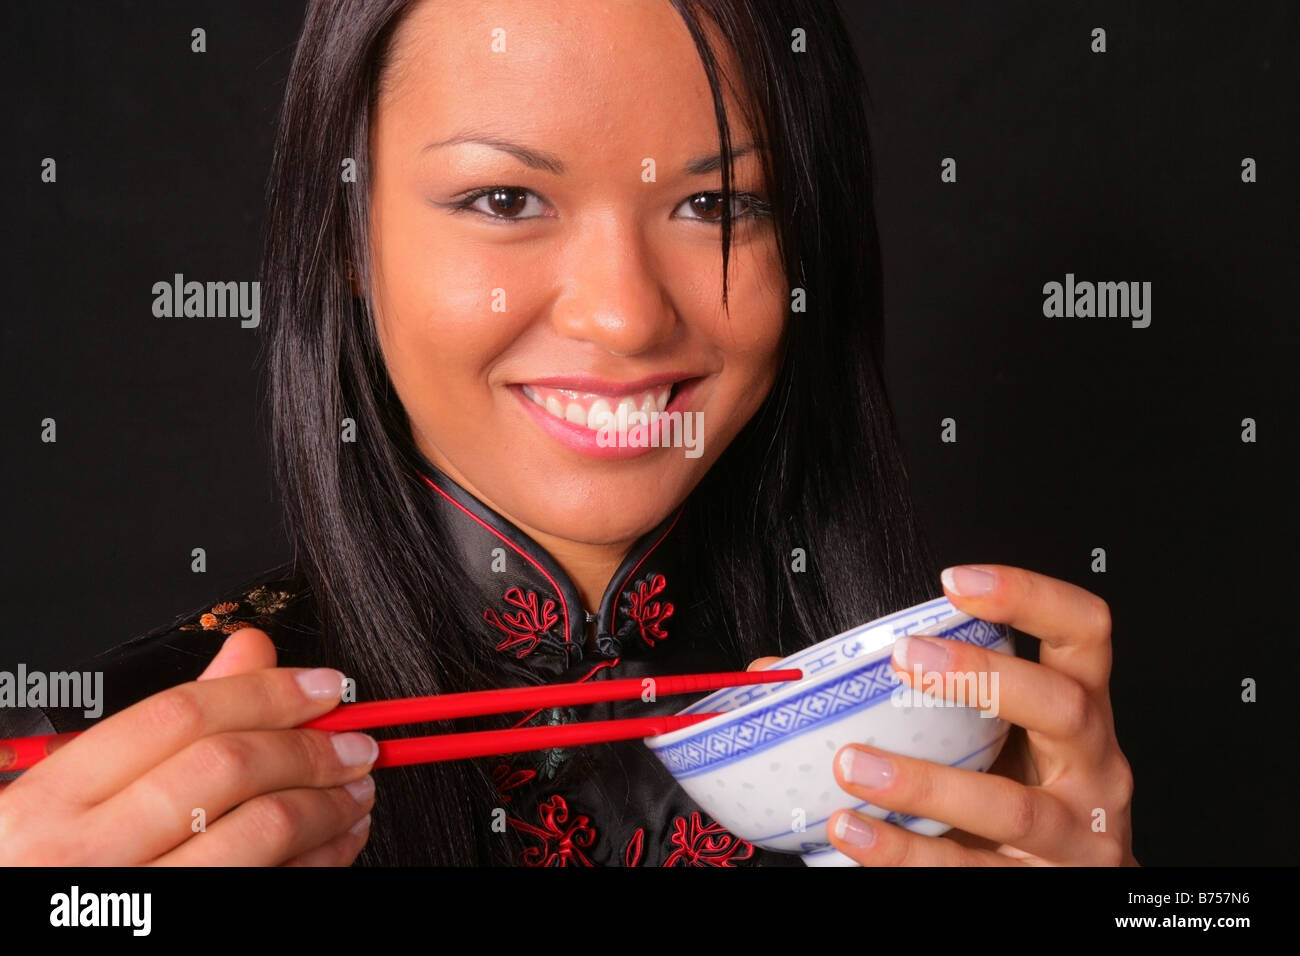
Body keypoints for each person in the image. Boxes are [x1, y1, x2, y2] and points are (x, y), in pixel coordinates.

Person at [0, 0, 1135, 866]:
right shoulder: (104, 770)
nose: (625, 312)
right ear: (344, 231)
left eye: (718, 204)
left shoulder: (948, 745)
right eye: (505, 200)